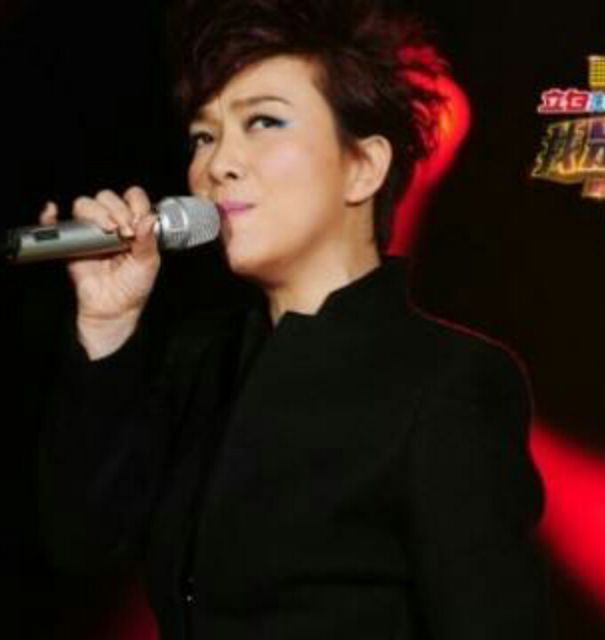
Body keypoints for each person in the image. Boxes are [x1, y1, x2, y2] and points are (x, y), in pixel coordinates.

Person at [37, 0, 550, 638]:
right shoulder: (200, 362)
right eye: (204, 136)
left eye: (264, 122)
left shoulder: (446, 382)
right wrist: (107, 325)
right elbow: (83, 542)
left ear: (363, 167)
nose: (217, 164)